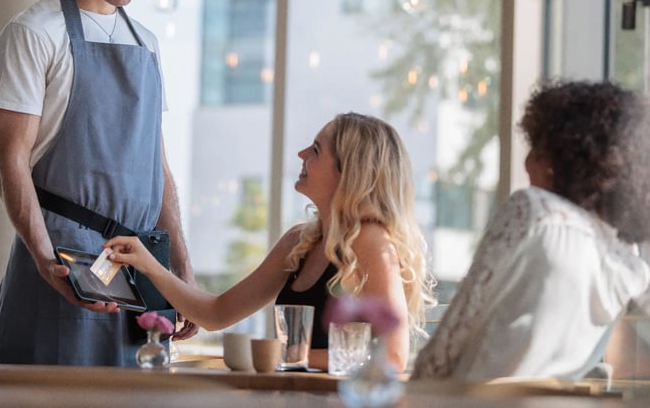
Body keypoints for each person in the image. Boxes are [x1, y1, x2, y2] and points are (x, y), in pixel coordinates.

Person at [0, 0, 196, 366]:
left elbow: (155, 165)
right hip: (66, 262)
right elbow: (9, 162)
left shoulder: (146, 42)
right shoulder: (33, 33)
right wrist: (44, 259)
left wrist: (181, 265)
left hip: (144, 268)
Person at [106, 112, 436, 371]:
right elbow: (216, 313)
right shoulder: (301, 241)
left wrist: (289, 354)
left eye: (317, 150)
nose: (301, 153)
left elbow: (393, 356)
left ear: (349, 173)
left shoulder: (371, 242)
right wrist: (147, 264)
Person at [411, 80, 650, 381]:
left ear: (566, 159)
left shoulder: (535, 212)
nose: (527, 163)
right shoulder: (628, 266)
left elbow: (443, 352)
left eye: (537, 149)